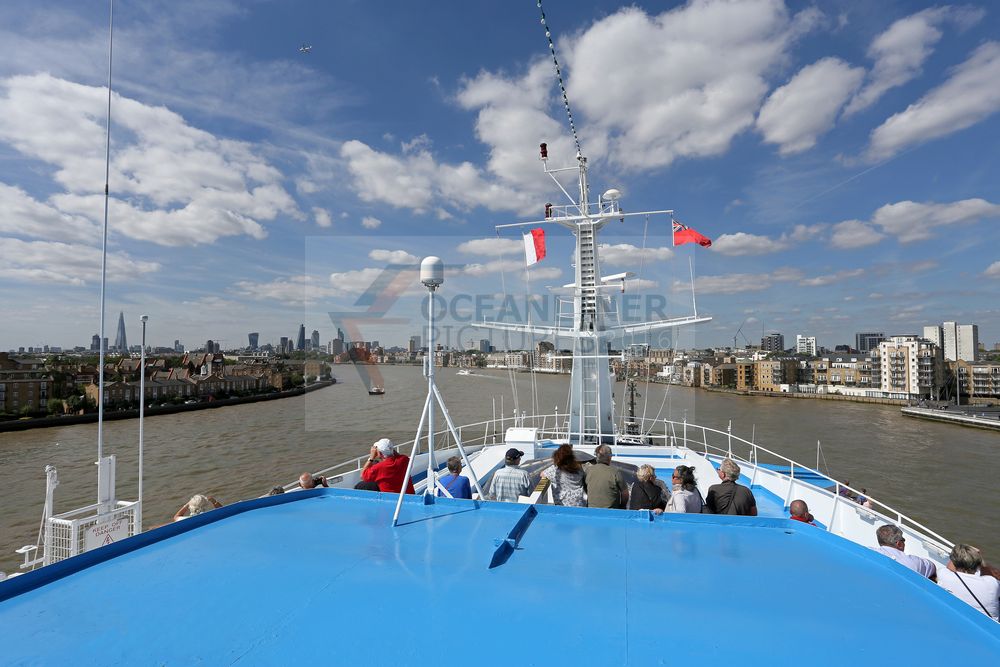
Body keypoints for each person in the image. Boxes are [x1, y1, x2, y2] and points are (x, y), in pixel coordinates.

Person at [938, 544, 1000, 618]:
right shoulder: (991, 583)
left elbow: (949, 566)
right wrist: (978, 557)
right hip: (990, 626)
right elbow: (989, 572)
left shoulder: (945, 575)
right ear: (978, 564)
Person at [584, 444, 628, 509]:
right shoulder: (615, 472)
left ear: (597, 457)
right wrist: (622, 506)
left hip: (592, 510)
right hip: (611, 511)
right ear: (609, 457)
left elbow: (586, 489)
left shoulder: (588, 471)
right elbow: (625, 494)